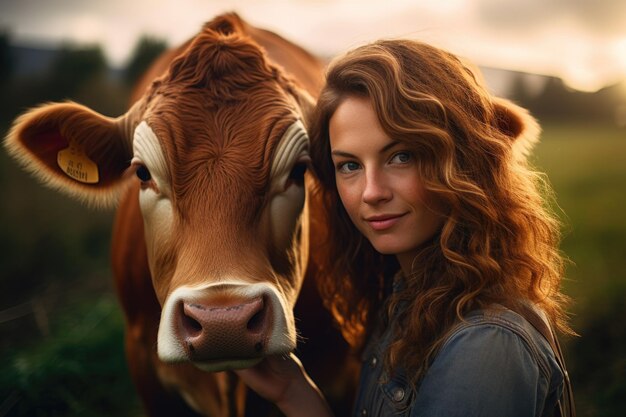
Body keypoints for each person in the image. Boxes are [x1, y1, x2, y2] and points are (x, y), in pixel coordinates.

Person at [235, 38, 574, 417]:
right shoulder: (403, 301)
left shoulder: (486, 344)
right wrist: (292, 391)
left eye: (400, 156)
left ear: (462, 162)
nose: (371, 192)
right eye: (349, 165)